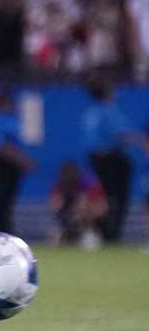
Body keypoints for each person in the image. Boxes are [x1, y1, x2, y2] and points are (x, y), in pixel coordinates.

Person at [80, 80, 147, 242]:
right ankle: (112, 233)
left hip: (96, 160)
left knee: (104, 196)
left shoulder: (90, 113)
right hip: (112, 159)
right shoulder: (109, 111)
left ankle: (104, 232)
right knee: (117, 198)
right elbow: (122, 133)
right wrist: (142, 142)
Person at [0, 90, 35, 234]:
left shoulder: (12, 120)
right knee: (0, 198)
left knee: (8, 200)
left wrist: (21, 160)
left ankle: (5, 229)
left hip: (13, 165)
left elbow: (16, 143)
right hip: (0, 164)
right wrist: (21, 160)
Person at [49, 160, 106, 247]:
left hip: (90, 215)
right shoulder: (60, 184)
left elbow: (101, 207)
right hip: (68, 216)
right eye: (67, 176)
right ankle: (66, 237)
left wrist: (83, 212)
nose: (69, 178)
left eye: (71, 176)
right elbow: (56, 205)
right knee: (59, 230)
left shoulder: (88, 183)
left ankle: (89, 235)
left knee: (82, 204)